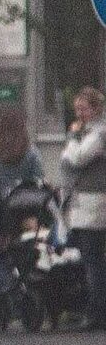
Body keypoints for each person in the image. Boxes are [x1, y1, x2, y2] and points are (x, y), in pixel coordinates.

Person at [0, 109, 46, 324]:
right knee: (25, 255)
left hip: (0, 215)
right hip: (25, 214)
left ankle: (4, 294)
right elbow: (38, 183)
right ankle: (24, 294)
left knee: (1, 257)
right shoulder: (30, 154)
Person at [60, 85, 106, 331]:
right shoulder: (90, 131)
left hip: (93, 206)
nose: (79, 114)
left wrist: (72, 138)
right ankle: (91, 307)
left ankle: (96, 312)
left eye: (84, 109)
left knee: (92, 260)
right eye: (76, 109)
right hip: (84, 205)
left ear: (97, 109)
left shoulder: (99, 133)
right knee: (90, 259)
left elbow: (76, 158)